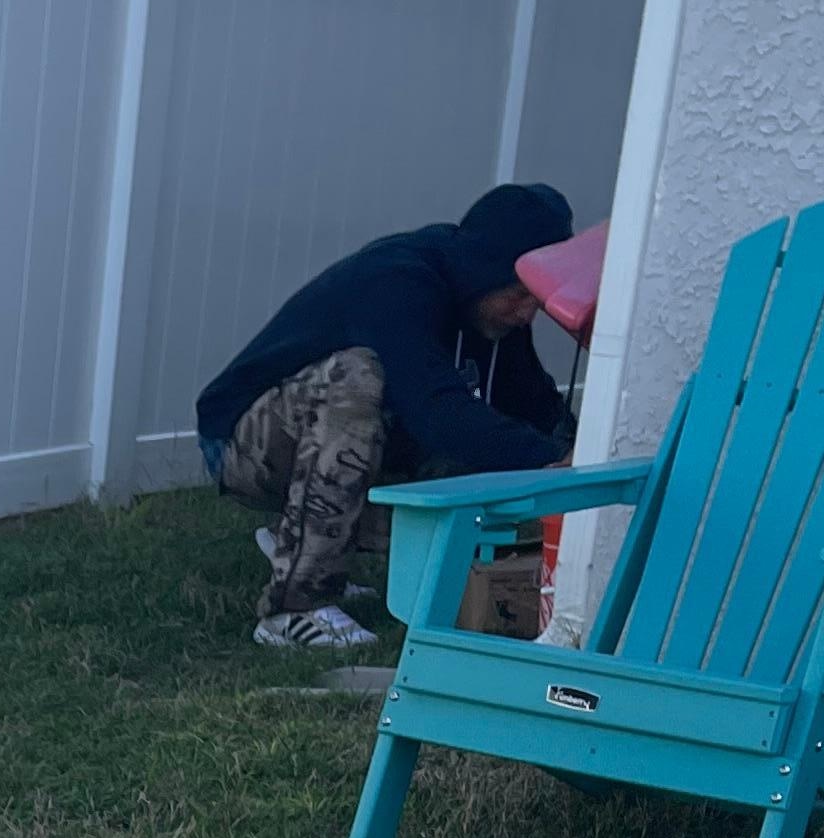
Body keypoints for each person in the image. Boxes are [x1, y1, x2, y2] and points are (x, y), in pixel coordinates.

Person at [196, 180, 579, 650]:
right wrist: (543, 457)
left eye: (536, 300)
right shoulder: (397, 282)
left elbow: (532, 403)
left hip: (318, 439)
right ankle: (294, 607)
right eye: (519, 295)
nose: (527, 314)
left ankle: (294, 540)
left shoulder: (491, 312)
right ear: (485, 271)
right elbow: (436, 412)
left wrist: (575, 453)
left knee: (478, 440)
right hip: (239, 441)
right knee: (359, 378)